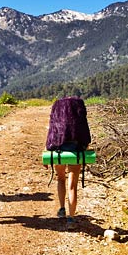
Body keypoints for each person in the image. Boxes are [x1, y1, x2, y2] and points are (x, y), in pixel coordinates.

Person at [44, 96, 91, 225]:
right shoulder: (79, 111)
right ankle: (71, 218)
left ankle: (62, 209)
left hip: (59, 150)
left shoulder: (57, 110)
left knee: (60, 179)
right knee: (72, 185)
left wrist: (48, 151)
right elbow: (85, 134)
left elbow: (51, 133)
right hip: (75, 150)